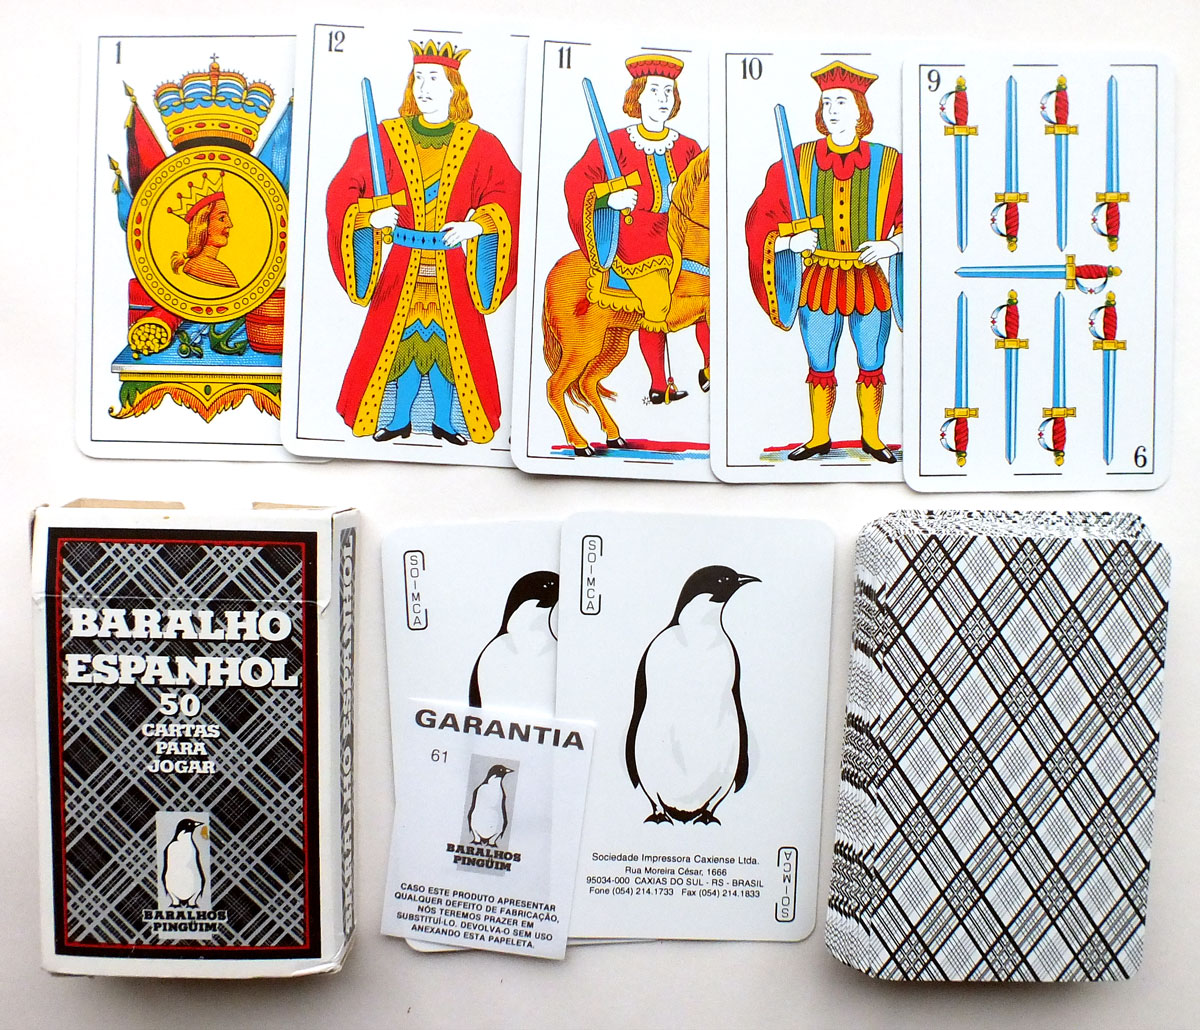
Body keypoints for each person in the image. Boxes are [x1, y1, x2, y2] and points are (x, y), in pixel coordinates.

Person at [327, 40, 520, 445]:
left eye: (434, 79)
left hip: (451, 266)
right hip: (402, 265)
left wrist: (478, 225)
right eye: (418, 78)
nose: (424, 88)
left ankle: (447, 422)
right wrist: (369, 215)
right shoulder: (382, 138)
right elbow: (342, 191)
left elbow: (510, 195)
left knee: (451, 350)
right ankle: (397, 418)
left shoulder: (481, 143)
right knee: (400, 345)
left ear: (453, 88)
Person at [746, 61, 902, 462]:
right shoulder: (797, 160)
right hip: (818, 279)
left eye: (841, 102)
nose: (832, 110)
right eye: (826, 102)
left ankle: (872, 438)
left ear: (860, 109)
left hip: (869, 280)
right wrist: (789, 240)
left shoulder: (890, 162)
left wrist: (893, 245)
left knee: (872, 360)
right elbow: (761, 217)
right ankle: (819, 437)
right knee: (819, 362)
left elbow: (920, 217)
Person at [564, 54, 706, 403]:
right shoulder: (614, 144)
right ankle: (659, 385)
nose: (663, 99)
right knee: (657, 303)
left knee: (710, 292)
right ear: (637, 96)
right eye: (654, 90)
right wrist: (606, 198)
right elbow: (576, 183)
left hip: (682, 236)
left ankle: (710, 367)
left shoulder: (689, 147)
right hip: (637, 239)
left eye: (669, 91)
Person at [170, 176, 238, 288]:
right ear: (204, 225)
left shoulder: (196, 265)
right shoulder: (217, 271)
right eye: (222, 218)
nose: (230, 224)